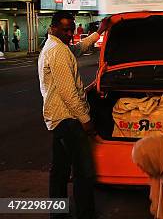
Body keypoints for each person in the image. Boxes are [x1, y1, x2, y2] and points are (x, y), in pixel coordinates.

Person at [38, 11, 110, 218]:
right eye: (65, 29)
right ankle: (86, 214)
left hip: (57, 119)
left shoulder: (56, 46)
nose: (70, 33)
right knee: (83, 172)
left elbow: (76, 49)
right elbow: (69, 94)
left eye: (71, 29)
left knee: (60, 171)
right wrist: (86, 121)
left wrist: (99, 33)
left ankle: (58, 214)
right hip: (68, 119)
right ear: (52, 28)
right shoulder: (57, 51)